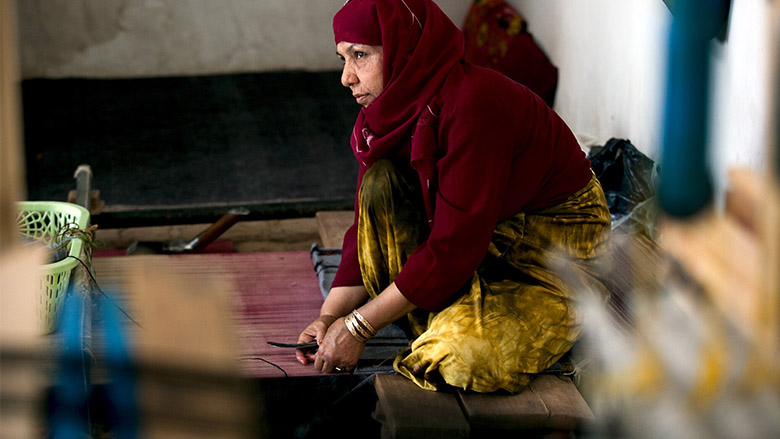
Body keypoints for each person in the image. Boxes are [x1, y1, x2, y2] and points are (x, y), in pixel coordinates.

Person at [296, 0, 611, 394]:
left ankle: (542, 312)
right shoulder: (387, 113)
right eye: (343, 57)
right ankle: (446, 306)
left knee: (461, 357)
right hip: (479, 244)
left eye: (360, 55)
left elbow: (452, 246)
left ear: (403, 51)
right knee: (380, 183)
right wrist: (328, 318)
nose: (346, 77)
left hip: (551, 257)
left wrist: (359, 325)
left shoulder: (474, 104)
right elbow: (366, 229)